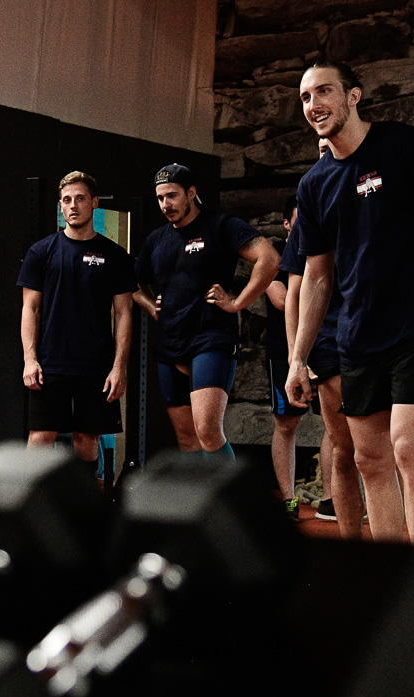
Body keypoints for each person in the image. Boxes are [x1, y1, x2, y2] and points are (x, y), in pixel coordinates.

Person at [286, 61, 414, 544]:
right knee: (368, 459)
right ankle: (387, 576)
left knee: (406, 447)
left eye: (324, 92)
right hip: (357, 336)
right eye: (306, 98)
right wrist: (297, 358)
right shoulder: (314, 184)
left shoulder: (404, 145)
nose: (315, 105)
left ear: (353, 96)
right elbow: (316, 277)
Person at [133, 163, 280, 457]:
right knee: (187, 441)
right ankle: (199, 503)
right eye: (160, 198)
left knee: (208, 433)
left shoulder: (221, 225)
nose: (166, 204)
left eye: (172, 196)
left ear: (191, 193)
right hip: (170, 342)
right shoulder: (156, 240)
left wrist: (238, 303)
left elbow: (269, 258)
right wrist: (152, 306)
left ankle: (233, 503)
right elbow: (134, 285)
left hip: (211, 337)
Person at [18, 172, 136, 479]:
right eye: (67, 200)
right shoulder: (41, 252)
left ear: (94, 203)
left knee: (87, 439)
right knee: (41, 437)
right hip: (50, 362)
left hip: (96, 364)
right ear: (60, 205)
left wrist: (119, 367)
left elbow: (124, 314)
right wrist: (30, 359)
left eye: (80, 199)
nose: (73, 206)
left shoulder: (115, 256)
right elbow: (30, 308)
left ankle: (83, 512)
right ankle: (29, 512)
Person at [283, 139, 365, 538]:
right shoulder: (309, 207)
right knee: (342, 446)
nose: (325, 153)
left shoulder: (365, 195)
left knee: (387, 450)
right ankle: (350, 543)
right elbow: (296, 291)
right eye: (317, 148)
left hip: (375, 335)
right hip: (328, 341)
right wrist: (295, 357)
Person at [264, 200, 307, 520]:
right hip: (284, 352)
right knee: (286, 424)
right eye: (299, 220)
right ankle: (290, 501)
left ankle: (333, 499)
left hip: (330, 349)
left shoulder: (324, 248)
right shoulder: (274, 254)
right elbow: (280, 300)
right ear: (286, 224)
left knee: (339, 427)